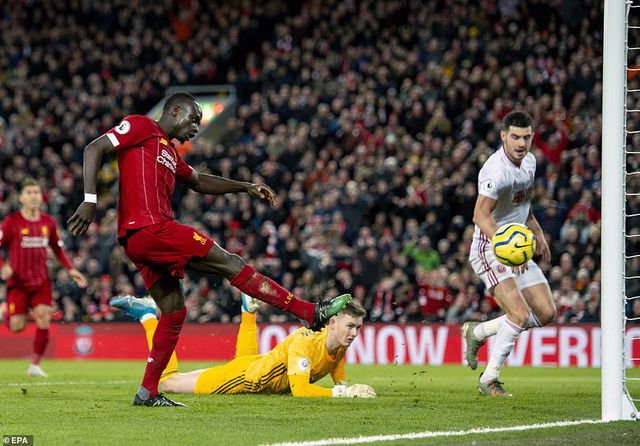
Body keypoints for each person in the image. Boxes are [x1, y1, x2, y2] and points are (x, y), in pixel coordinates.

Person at [67, 92, 352, 406]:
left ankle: (147, 392)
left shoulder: (169, 153)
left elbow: (200, 181)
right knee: (230, 262)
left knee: (175, 311)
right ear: (174, 110)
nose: (195, 128)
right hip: (152, 229)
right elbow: (94, 147)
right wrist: (90, 201)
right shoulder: (140, 126)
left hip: (142, 241)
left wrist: (245, 186)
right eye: (192, 120)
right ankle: (309, 312)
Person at [110, 294, 375, 400]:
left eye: (358, 328)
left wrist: (342, 384)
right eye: (350, 326)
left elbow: (335, 364)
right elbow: (301, 390)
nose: (354, 333)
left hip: (254, 366)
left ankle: (248, 312)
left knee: (248, 362)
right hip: (241, 380)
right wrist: (342, 394)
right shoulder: (303, 344)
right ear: (332, 322)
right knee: (167, 382)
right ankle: (147, 316)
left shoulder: (338, 343)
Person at [463, 111, 556, 397]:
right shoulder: (495, 171)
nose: (521, 143)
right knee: (518, 313)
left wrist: (537, 231)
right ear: (503, 136)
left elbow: (522, 205)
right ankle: (489, 379)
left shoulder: (530, 162)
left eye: (526, 137)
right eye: (515, 137)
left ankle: (477, 332)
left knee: (546, 312)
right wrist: (505, 249)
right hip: (490, 246)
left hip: (516, 243)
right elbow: (480, 215)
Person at [1, 178, 88, 377]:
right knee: (16, 327)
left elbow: (57, 250)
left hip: (41, 282)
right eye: (29, 192)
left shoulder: (48, 222)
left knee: (43, 317)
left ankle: (35, 364)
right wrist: (3, 266)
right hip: (18, 284)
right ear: (21, 197)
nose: (34, 196)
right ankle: (6, 311)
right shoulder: (11, 222)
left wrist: (71, 269)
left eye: (37, 192)